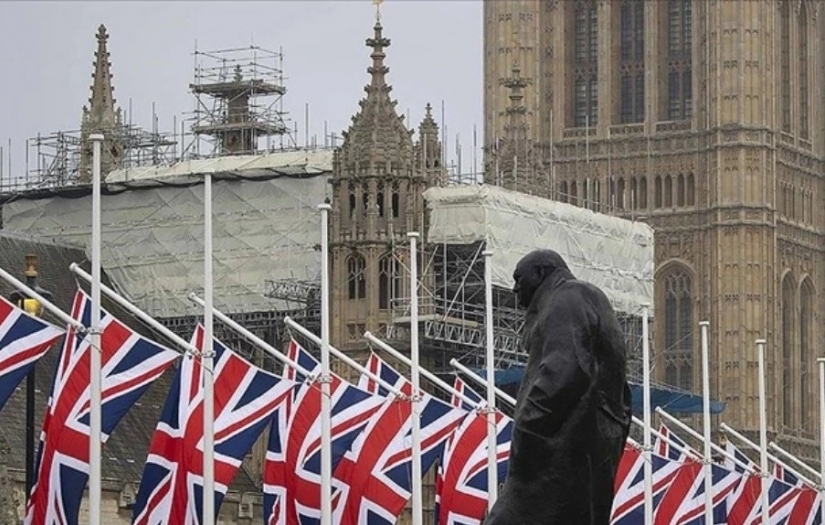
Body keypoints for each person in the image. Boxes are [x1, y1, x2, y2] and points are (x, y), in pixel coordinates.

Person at [483, 249, 632, 525]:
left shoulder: (567, 298)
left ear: (541, 272)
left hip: (561, 444)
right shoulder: (586, 298)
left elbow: (566, 368)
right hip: (586, 444)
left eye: (519, 278)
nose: (515, 289)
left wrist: (528, 427)